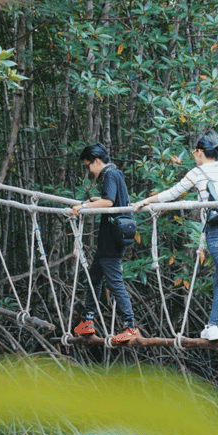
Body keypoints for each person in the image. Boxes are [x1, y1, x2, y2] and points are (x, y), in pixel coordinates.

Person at [133, 131, 218, 341]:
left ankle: (213, 326)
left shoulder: (198, 172)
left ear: (200, 152)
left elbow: (172, 193)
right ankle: (212, 327)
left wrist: (148, 201)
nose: (194, 156)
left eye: (195, 152)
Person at [71, 143, 139, 343]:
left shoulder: (108, 174)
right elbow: (113, 200)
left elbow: (109, 203)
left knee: (115, 282)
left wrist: (82, 206)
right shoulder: (115, 173)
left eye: (88, 165)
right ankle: (88, 321)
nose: (89, 170)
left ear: (97, 161)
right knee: (94, 279)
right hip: (111, 236)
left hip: (111, 237)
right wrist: (96, 200)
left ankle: (131, 326)